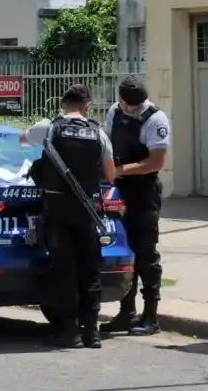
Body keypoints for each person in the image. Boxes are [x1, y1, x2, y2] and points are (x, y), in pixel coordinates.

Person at [20, 84, 115, 348]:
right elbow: (110, 175)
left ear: (63, 104)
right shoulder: (98, 133)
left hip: (58, 209)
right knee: (90, 270)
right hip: (88, 210)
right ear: (87, 106)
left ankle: (69, 332)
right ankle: (91, 332)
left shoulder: (49, 128)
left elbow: (22, 139)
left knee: (65, 271)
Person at [100, 75, 170, 337]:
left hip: (144, 193)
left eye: (135, 105)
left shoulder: (155, 119)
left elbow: (156, 162)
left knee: (145, 255)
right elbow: (108, 146)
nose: (130, 109)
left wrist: (119, 171)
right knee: (124, 252)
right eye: (126, 104)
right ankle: (126, 312)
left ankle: (151, 316)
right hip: (119, 193)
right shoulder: (114, 112)